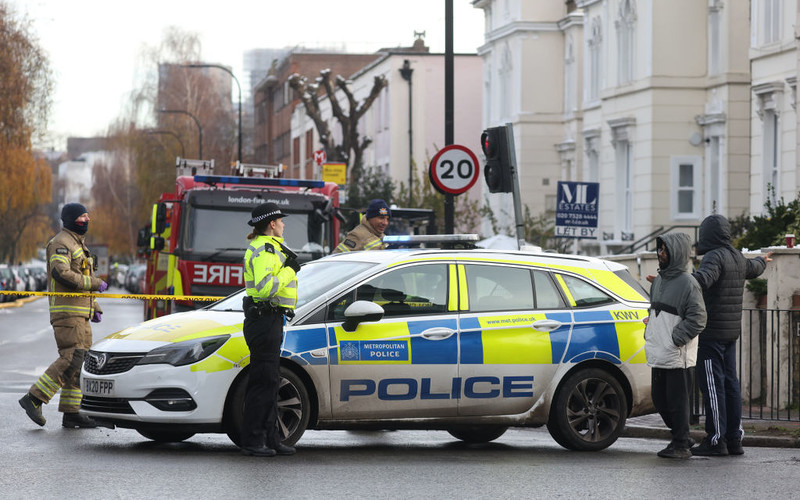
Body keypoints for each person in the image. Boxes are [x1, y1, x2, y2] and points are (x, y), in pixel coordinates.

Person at [19, 203, 108, 429]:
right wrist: (95, 284)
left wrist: (94, 306)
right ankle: (34, 398)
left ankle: (72, 411)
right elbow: (62, 273)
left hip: (81, 313)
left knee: (80, 363)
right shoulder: (61, 243)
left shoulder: (78, 244)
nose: (87, 219)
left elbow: (80, 275)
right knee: (71, 357)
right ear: (70, 219)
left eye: (88, 215)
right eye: (82, 216)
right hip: (67, 313)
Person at [690, 214, 772, 457]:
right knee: (730, 384)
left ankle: (716, 440)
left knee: (712, 387)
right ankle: (734, 439)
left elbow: (703, 279)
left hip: (711, 332)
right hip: (730, 334)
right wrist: (763, 260)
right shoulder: (736, 256)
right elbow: (753, 268)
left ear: (707, 235)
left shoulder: (714, 257)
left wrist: (680, 279)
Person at [240, 202, 299, 457]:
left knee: (271, 382)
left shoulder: (270, 247)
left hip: (270, 320)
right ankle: (253, 441)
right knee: (262, 384)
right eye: (281, 221)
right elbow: (266, 288)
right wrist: (289, 270)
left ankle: (271, 438)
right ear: (272, 224)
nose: (284, 224)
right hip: (264, 321)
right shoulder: (265, 249)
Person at [644, 233, 707, 459]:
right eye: (659, 249)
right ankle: (682, 436)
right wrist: (652, 325)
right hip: (659, 350)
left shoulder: (688, 283)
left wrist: (675, 338)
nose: (660, 253)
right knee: (660, 399)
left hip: (677, 354)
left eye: (665, 250)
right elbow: (655, 310)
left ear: (676, 253)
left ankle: (681, 444)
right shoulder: (659, 280)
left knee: (677, 402)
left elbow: (698, 318)